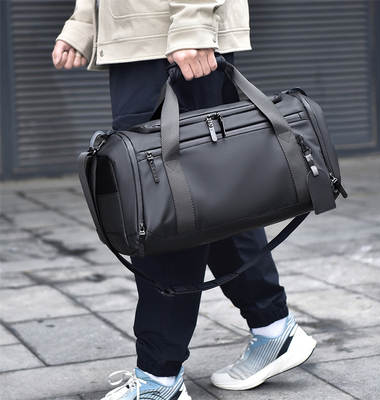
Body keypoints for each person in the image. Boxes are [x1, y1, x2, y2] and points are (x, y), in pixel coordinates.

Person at [52, 1, 316, 399]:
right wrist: (84, 24)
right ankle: (273, 327)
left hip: (172, 39)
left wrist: (194, 23)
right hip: (147, 38)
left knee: (163, 207)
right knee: (209, 197)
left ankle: (159, 379)